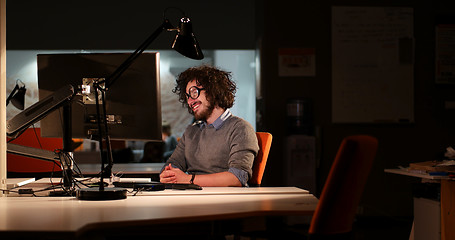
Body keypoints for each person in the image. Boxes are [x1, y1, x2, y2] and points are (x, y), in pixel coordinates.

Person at [159, 65, 259, 187]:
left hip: (226, 201)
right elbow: (172, 164)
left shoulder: (240, 129)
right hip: (193, 198)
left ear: (213, 91)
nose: (190, 101)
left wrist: (188, 179)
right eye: (187, 96)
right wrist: (167, 174)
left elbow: (237, 178)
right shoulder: (191, 131)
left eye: (194, 92)